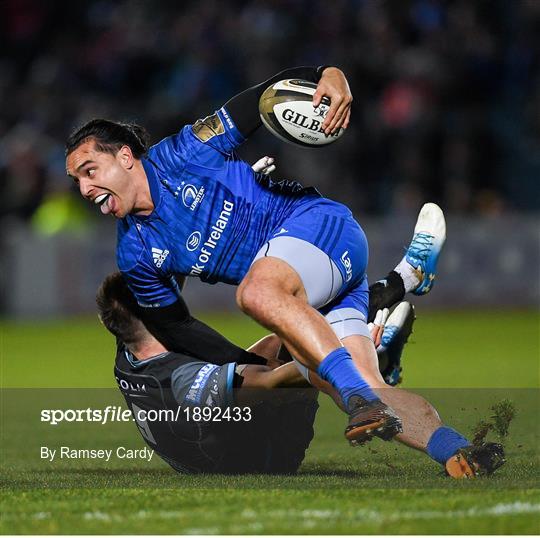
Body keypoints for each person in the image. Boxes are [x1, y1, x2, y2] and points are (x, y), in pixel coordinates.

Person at [65, 65, 489, 462]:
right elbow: (177, 328)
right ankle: (458, 452)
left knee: (259, 296)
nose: (85, 188)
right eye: (77, 180)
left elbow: (260, 101)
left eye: (90, 170)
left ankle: (385, 310)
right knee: (355, 386)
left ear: (124, 156)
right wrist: (247, 364)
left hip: (317, 226)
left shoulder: (183, 152)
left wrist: (329, 74)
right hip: (303, 286)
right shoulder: (136, 254)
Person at [97, 271, 504, 478]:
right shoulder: (181, 381)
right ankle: (453, 451)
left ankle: (370, 332)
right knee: (326, 364)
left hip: (215, 436)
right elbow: (272, 381)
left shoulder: (130, 338)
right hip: (258, 457)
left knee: (293, 327)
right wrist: (337, 358)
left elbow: (155, 279)